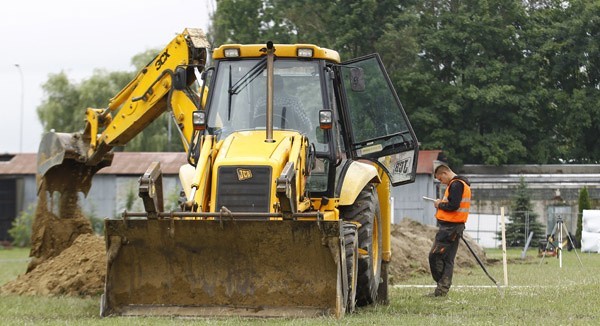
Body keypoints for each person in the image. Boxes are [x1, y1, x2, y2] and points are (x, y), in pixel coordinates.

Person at [427, 160, 471, 297]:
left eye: (441, 178)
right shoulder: (461, 184)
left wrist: (439, 204)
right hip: (455, 226)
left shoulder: (456, 184)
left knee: (434, 256)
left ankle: (442, 284)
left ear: (445, 173)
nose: (441, 182)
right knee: (448, 259)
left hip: (450, 228)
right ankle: (441, 290)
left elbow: (453, 205)